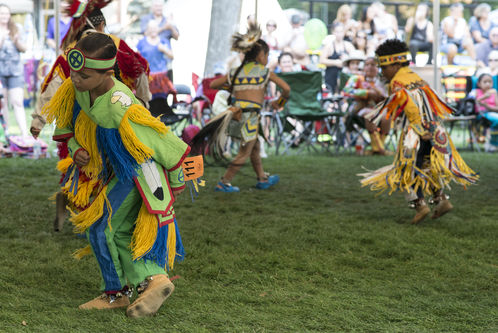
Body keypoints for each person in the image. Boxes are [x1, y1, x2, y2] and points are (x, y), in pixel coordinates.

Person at [42, 32, 189, 316]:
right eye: (73, 72)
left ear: (107, 73)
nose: (75, 79)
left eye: (83, 75)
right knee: (119, 231)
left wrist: (177, 178)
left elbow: (161, 140)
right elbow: (69, 123)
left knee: (101, 227)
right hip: (118, 169)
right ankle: (153, 281)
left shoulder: (122, 105)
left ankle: (116, 293)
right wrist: (75, 148)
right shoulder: (80, 87)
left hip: (141, 170)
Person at [31, 0, 151, 231]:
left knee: (87, 170)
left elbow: (52, 88)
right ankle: (92, 218)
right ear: (101, 25)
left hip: (98, 122)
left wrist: (38, 120)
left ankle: (92, 216)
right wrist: (144, 103)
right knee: (92, 168)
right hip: (99, 122)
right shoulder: (115, 47)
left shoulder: (73, 53)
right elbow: (140, 72)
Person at [359, 39, 478, 224]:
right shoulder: (415, 77)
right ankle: (441, 201)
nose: (382, 72)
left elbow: (410, 105)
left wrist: (419, 128)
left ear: (396, 64)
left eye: (384, 67)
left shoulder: (397, 82)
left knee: (405, 169)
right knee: (427, 165)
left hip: (417, 131)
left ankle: (420, 204)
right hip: (434, 128)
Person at [191, 23, 290, 192]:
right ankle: (224, 182)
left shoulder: (236, 72)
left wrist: (232, 87)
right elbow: (286, 89)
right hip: (250, 118)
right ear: (260, 55)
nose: (267, 59)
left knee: (254, 148)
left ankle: (262, 179)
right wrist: (278, 103)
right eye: (267, 55)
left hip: (236, 116)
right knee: (244, 152)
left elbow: (214, 84)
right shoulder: (264, 72)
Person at [343, 56, 389, 155]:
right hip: (359, 110)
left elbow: (388, 96)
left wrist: (379, 93)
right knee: (370, 114)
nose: (370, 67)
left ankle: (377, 148)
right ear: (363, 67)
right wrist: (366, 93)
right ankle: (379, 149)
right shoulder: (356, 78)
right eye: (367, 65)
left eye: (373, 65)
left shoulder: (382, 81)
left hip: (379, 110)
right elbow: (346, 91)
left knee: (387, 116)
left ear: (378, 68)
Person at [0, 4, 28, 138]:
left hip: (15, 71)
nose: (4, 16)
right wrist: (2, 39)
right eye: (1, 13)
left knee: (17, 102)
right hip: (0, 71)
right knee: (3, 102)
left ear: (9, 15)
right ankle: (6, 133)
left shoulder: (17, 28)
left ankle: (24, 133)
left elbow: (24, 49)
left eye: (6, 13)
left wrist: (16, 41)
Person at [140, 0, 179, 81]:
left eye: (160, 6)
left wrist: (170, 27)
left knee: (167, 85)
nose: (159, 8)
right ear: (152, 7)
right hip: (151, 59)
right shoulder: (146, 19)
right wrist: (164, 28)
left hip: (165, 58)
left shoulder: (167, 20)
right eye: (156, 6)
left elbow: (177, 37)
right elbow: (146, 34)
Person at [137, 20, 174, 99]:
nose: (153, 30)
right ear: (148, 30)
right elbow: (136, 58)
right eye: (151, 28)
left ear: (158, 29)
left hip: (161, 77)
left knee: (161, 100)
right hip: (147, 77)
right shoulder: (142, 42)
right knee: (147, 100)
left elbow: (172, 56)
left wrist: (164, 50)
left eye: (155, 28)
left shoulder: (163, 41)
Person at [320, 23, 354, 93]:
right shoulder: (329, 46)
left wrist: (346, 59)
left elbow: (355, 59)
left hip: (345, 77)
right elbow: (322, 60)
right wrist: (336, 62)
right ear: (333, 32)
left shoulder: (348, 46)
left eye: (341, 32)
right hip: (331, 76)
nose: (339, 34)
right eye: (337, 32)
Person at [474, 73, 498, 152]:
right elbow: (475, 101)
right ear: (479, 83)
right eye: (485, 82)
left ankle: (492, 142)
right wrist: (484, 96)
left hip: (493, 112)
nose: (488, 84)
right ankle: (493, 143)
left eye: (490, 82)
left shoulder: (494, 92)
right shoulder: (476, 92)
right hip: (482, 114)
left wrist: (487, 106)